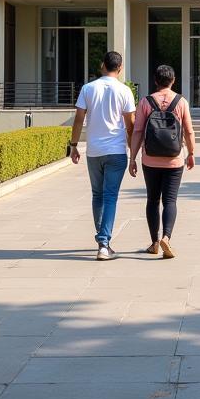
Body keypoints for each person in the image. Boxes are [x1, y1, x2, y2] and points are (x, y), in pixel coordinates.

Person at [70, 50, 136, 260]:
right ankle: (104, 243)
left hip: (94, 151)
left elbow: (78, 119)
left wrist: (73, 145)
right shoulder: (125, 91)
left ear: (102, 65)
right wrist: (133, 151)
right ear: (120, 68)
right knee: (109, 196)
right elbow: (130, 124)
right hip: (116, 150)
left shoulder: (88, 88)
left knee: (97, 194)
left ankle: (102, 240)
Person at [128, 64, 196, 259]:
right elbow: (189, 131)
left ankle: (155, 243)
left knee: (152, 200)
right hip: (175, 159)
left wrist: (132, 158)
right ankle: (167, 236)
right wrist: (191, 153)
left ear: (155, 81)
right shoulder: (181, 102)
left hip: (150, 159)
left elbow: (138, 131)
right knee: (170, 200)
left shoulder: (145, 102)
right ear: (173, 80)